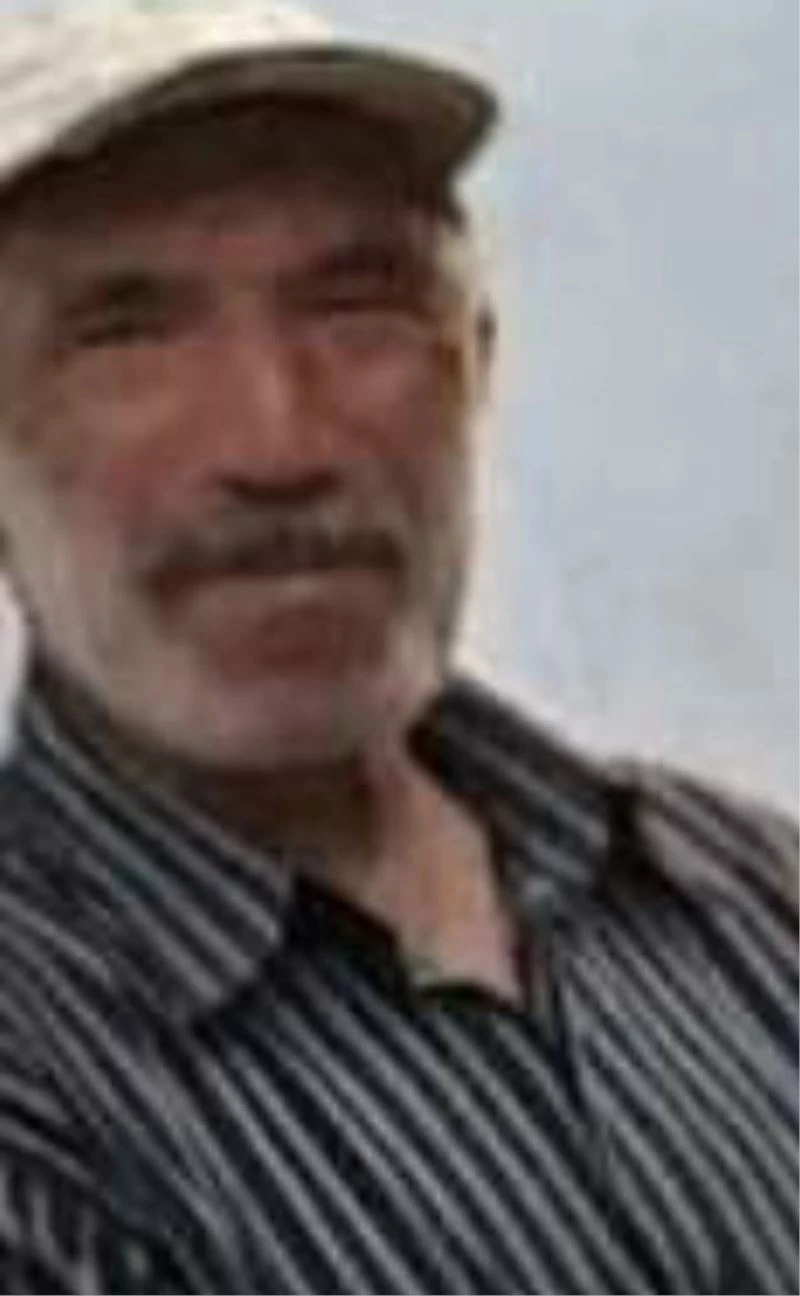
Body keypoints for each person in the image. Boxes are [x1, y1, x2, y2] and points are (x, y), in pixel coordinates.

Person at [0, 2, 795, 1292]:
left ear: (477, 367)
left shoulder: (748, 893)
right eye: (124, 331)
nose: (276, 443)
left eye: (358, 305)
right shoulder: (38, 1073)